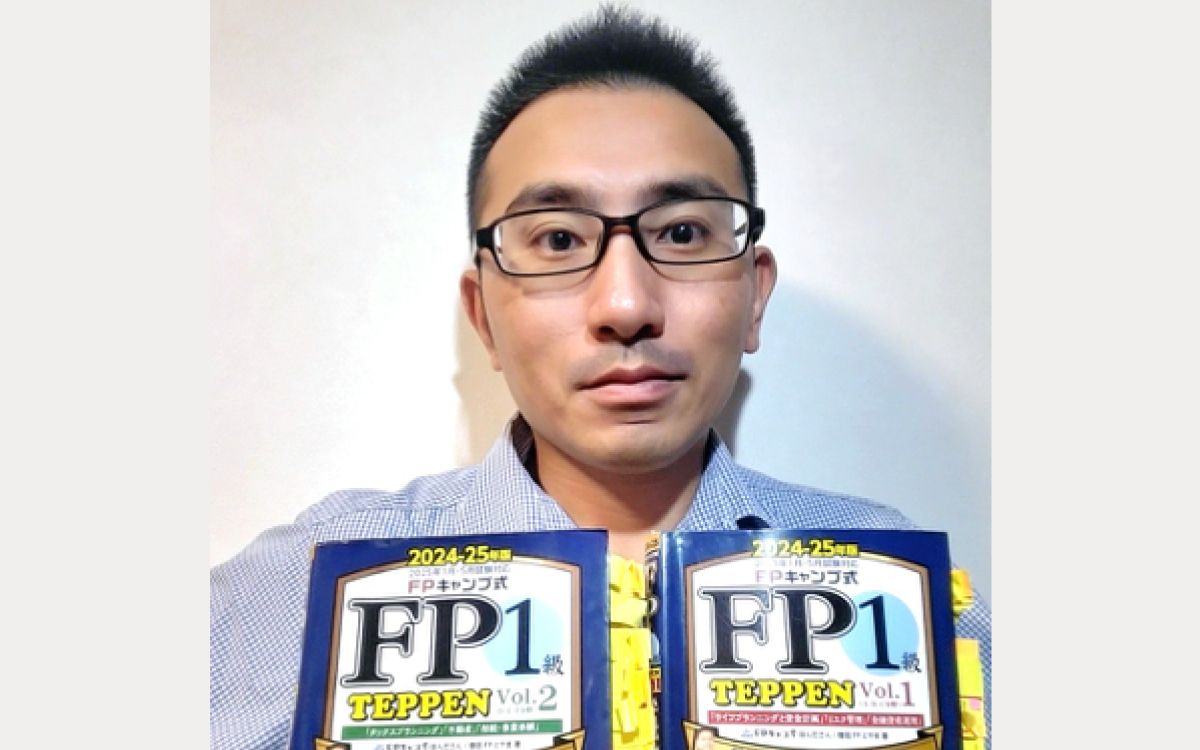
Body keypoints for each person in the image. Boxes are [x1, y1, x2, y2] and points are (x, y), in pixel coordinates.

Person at [210, 5, 991, 749]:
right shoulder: (314, 580)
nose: (625, 305)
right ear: (483, 316)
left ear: (754, 298)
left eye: (680, 232)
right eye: (557, 239)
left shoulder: (900, 586)